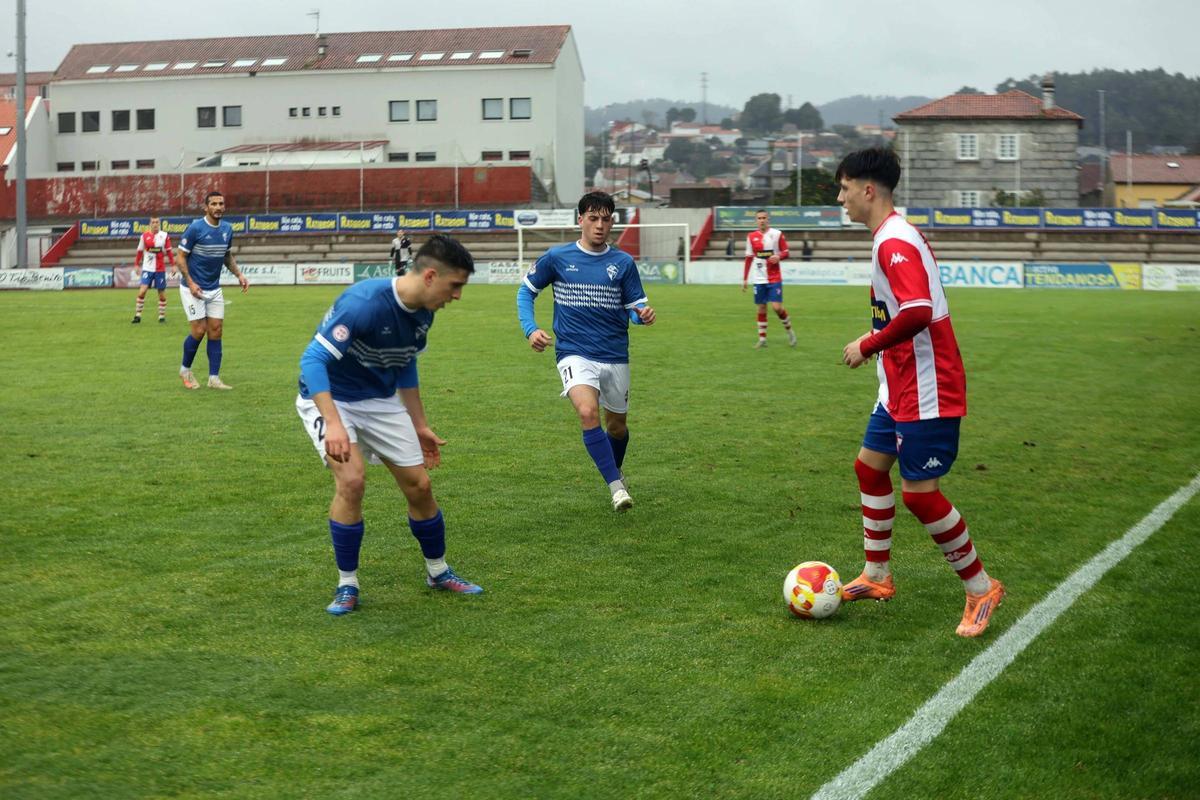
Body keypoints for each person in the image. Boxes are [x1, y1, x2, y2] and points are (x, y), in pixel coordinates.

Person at [834, 146, 1004, 638]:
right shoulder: (890, 236)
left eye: (845, 189)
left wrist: (867, 343)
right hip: (899, 385)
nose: (841, 198)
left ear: (868, 190)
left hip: (928, 387)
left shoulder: (894, 242)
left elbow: (918, 310)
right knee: (869, 467)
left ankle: (980, 587)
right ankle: (877, 575)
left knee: (920, 495)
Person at [296, 234, 482, 615]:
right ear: (431, 276)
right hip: (330, 398)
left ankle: (438, 571)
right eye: (455, 285)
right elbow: (312, 361)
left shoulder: (424, 312)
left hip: (379, 401)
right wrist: (333, 424)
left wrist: (420, 424)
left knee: (420, 486)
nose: (458, 296)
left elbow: (406, 364)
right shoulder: (363, 304)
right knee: (352, 480)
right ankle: (347, 585)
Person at [517, 191, 656, 512]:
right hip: (573, 352)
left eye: (606, 219)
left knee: (617, 427)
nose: (599, 225)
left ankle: (614, 470)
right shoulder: (557, 257)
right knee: (587, 413)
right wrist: (530, 328)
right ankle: (616, 487)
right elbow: (526, 292)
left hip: (614, 354)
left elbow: (635, 307)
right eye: (593, 218)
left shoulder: (623, 263)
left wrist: (642, 315)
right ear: (580, 220)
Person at [174, 191, 249, 390]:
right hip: (192, 288)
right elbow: (180, 257)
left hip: (214, 288)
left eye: (221, 203)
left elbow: (227, 256)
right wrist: (190, 282)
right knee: (199, 331)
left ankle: (213, 378)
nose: (218, 207)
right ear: (206, 207)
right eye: (214, 204)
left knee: (216, 331)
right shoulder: (195, 229)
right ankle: (185, 369)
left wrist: (239, 275)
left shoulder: (227, 229)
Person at [742, 209, 797, 349]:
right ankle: (762, 339)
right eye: (759, 218)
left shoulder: (777, 234)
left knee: (777, 307)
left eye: (764, 217)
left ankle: (790, 332)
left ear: (768, 219)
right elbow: (748, 258)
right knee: (761, 308)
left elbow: (786, 252)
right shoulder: (751, 236)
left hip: (774, 277)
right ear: (756, 220)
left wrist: (779, 256)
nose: (761, 220)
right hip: (759, 278)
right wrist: (744, 279)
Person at [131, 216, 173, 324]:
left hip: (160, 269)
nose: (155, 224)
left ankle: (161, 316)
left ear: (159, 223)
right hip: (147, 268)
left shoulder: (164, 236)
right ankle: (137, 316)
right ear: (150, 223)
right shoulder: (144, 236)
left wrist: (173, 265)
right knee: (142, 291)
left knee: (161, 294)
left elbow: (169, 251)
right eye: (153, 222)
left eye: (157, 222)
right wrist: (136, 265)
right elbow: (140, 251)